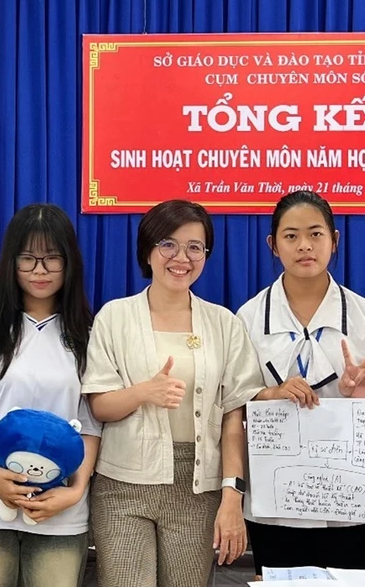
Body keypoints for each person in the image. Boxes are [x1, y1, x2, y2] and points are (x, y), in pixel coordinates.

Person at [82, 199, 262, 587]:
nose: (182, 258)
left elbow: (234, 418)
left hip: (198, 487)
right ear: (147, 251)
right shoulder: (114, 317)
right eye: (168, 244)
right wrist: (144, 392)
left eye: (195, 247)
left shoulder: (224, 323)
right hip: (123, 485)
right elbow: (99, 405)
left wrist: (232, 496)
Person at [235, 191, 365, 575]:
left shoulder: (364, 314)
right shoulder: (249, 317)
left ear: (334, 240)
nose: (304, 246)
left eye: (315, 234)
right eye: (291, 236)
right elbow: (235, 401)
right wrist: (272, 393)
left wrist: (361, 397)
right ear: (273, 245)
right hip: (276, 495)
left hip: (352, 495)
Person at [0, 204, 101, 587]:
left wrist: (75, 491)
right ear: (10, 262)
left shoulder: (88, 335)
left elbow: (91, 424)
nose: (39, 270)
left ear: (69, 263)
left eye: (52, 259)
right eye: (28, 258)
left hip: (60, 513)